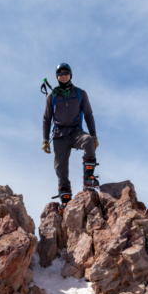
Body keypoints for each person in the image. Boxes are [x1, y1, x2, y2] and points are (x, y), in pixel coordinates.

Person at [42, 63, 99, 210]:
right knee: (60, 166)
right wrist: (45, 140)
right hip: (59, 134)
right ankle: (65, 196)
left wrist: (93, 135)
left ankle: (88, 178)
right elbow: (46, 119)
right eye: (60, 74)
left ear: (70, 75)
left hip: (75, 131)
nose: (63, 75)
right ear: (57, 77)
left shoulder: (80, 93)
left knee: (88, 141)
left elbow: (88, 115)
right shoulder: (51, 96)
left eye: (66, 72)